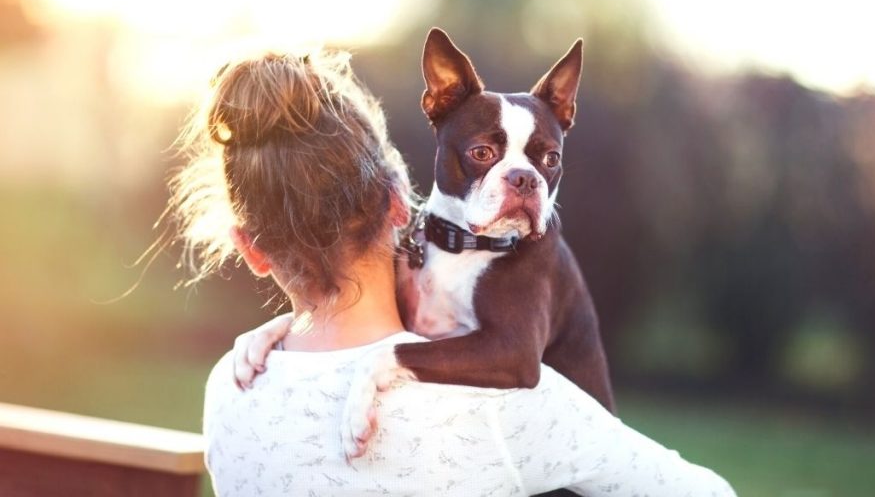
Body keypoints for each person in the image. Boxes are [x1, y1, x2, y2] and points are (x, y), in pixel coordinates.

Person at [169, 49, 736, 496]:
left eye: (544, 161)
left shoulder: (230, 387)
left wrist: (278, 330)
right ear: (400, 203)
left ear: (251, 248)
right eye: (487, 155)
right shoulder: (509, 415)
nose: (520, 177)